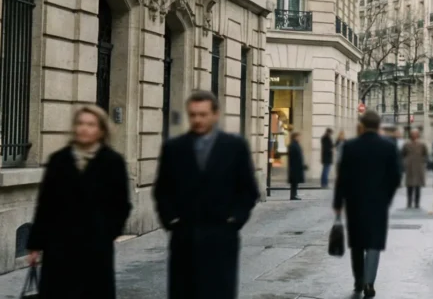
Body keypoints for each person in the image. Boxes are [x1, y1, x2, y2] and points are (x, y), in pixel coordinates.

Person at [153, 90, 260, 299]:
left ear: (215, 114)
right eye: (193, 115)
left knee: (218, 291)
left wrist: (235, 219)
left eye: (202, 114)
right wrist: (171, 220)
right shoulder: (174, 148)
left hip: (221, 236)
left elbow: (248, 190)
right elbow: (162, 190)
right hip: (184, 236)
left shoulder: (234, 147)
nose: (197, 120)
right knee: (184, 292)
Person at [27, 105, 132, 298]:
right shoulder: (58, 160)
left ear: (101, 130)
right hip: (58, 248)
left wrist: (108, 232)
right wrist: (35, 245)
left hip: (95, 248)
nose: (84, 128)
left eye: (90, 124)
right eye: (80, 123)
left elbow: (122, 204)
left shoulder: (112, 162)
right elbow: (45, 204)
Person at [333, 110, 402, 297]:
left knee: (357, 243)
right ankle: (369, 282)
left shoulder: (350, 146)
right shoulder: (388, 147)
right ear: (378, 126)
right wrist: (386, 197)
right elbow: (396, 177)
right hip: (378, 203)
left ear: (362, 125)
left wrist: (338, 202)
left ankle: (358, 279)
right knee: (374, 242)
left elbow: (342, 178)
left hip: (355, 202)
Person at [401, 129, 429, 209]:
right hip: (410, 167)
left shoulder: (422, 144)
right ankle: (409, 202)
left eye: (415, 134)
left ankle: (417, 203)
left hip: (419, 167)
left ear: (418, 135)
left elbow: (425, 154)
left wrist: (423, 162)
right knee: (409, 186)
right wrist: (405, 162)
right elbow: (402, 154)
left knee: (418, 186)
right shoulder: (406, 144)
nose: (414, 135)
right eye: (412, 134)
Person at [287, 131, 306, 200]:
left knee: (295, 182)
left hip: (297, 166)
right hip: (294, 167)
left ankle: (294, 194)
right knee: (294, 182)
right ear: (295, 137)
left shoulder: (296, 144)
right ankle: (293, 195)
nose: (300, 138)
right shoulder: (292, 145)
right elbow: (293, 157)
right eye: (298, 136)